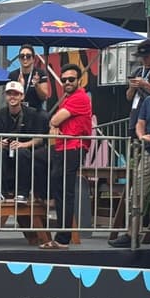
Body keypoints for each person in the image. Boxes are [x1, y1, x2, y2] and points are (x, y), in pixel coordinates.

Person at [111, 68, 150, 248]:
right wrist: (141, 136)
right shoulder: (147, 101)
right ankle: (132, 234)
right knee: (136, 195)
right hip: (147, 153)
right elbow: (140, 123)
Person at [40, 64, 93, 250]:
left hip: (73, 147)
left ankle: (63, 238)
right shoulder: (69, 98)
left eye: (71, 79)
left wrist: (56, 123)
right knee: (58, 187)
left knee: (65, 192)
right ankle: (60, 235)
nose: (67, 82)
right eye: (64, 80)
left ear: (79, 80)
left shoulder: (79, 97)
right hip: (63, 147)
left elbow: (54, 120)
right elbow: (55, 122)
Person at [0, 80, 47, 203]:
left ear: (22, 96)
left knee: (22, 152)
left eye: (16, 94)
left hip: (26, 151)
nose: (12, 97)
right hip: (6, 151)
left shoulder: (33, 114)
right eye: (9, 94)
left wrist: (23, 144)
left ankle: (22, 193)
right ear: (5, 96)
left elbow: (39, 139)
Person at [126, 39, 150, 139]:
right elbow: (129, 97)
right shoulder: (138, 70)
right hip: (135, 114)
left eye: (146, 57)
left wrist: (145, 84)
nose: (143, 60)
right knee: (134, 145)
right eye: (141, 57)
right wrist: (132, 87)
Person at [8, 44, 50, 110]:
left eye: (28, 56)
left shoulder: (40, 73)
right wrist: (20, 87)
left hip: (36, 111)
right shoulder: (13, 75)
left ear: (33, 59)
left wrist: (36, 85)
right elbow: (9, 98)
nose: (25, 58)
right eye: (22, 56)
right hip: (18, 111)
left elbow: (44, 97)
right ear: (19, 59)